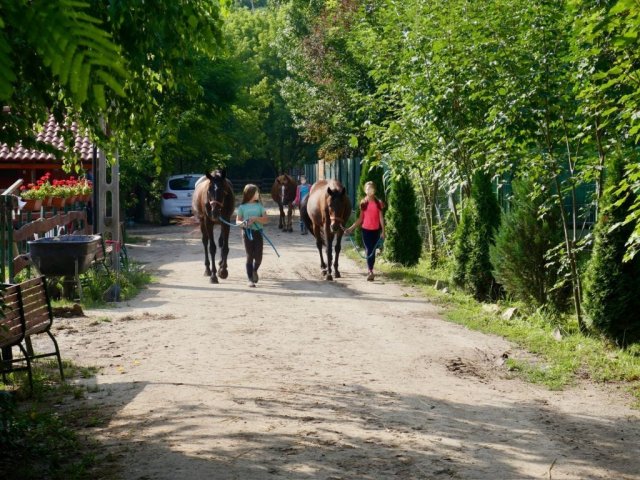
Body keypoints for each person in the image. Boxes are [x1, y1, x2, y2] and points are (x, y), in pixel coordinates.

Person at [344, 181, 385, 281]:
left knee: (373, 251)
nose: (369, 190)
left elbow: (381, 218)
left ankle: (370, 269)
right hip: (366, 230)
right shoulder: (363, 203)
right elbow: (360, 219)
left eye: (370, 188)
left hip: (375, 230)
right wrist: (351, 228)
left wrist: (383, 231)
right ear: (365, 190)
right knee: (369, 249)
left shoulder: (378, 203)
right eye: (367, 189)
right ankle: (370, 271)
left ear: (374, 190)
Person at [236, 184, 269, 287]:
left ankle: (255, 270)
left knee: (258, 257)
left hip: (258, 232)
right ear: (250, 193)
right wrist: (244, 223)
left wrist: (256, 219)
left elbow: (266, 220)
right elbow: (237, 221)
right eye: (256, 192)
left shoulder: (260, 206)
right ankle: (250, 279)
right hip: (247, 233)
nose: (258, 194)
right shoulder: (242, 207)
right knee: (249, 256)